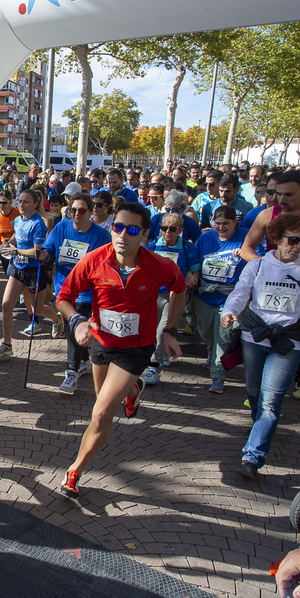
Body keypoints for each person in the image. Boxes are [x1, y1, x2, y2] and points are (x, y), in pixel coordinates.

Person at [54, 202, 185, 498]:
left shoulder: (160, 265)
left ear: (145, 235)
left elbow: (179, 288)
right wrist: (76, 321)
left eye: (132, 229)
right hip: (101, 343)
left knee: (100, 414)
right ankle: (133, 389)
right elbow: (63, 297)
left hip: (135, 348)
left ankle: (74, 470)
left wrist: (170, 329)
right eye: (117, 227)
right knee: (104, 403)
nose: (122, 235)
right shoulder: (93, 260)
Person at [221, 212, 300, 479]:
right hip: (254, 338)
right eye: (293, 240)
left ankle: (253, 456)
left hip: (288, 342)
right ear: (277, 239)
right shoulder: (257, 266)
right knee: (254, 393)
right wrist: (229, 312)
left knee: (271, 402)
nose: (297, 247)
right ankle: (260, 425)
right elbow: (240, 293)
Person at [43, 192, 111, 394]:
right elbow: (49, 251)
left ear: (90, 212)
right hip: (64, 291)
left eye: (82, 210)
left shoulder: (101, 236)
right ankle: (83, 361)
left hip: (86, 293)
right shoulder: (61, 228)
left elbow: (105, 264)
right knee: (73, 329)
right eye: (73, 210)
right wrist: (44, 257)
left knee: (74, 330)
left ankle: (71, 372)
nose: (76, 214)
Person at [0, 188, 58, 357]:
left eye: (26, 202)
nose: (21, 205)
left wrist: (15, 251)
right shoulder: (18, 220)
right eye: (19, 201)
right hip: (18, 269)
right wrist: (7, 244)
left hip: (34, 270)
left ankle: (58, 320)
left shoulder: (38, 224)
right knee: (6, 305)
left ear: (35, 204)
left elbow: (37, 253)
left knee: (38, 309)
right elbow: (16, 236)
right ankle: (7, 345)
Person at [193, 206, 249, 393]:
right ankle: (210, 353)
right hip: (205, 295)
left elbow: (259, 261)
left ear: (235, 222)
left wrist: (245, 255)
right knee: (207, 333)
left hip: (229, 298)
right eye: (217, 224)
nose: (221, 227)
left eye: (226, 224)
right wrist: (192, 275)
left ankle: (218, 376)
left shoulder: (246, 238)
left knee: (223, 338)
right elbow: (194, 262)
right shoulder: (205, 238)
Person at [141, 212, 201, 385]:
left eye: (172, 229)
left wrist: (191, 276)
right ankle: (161, 354)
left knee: (163, 329)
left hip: (175, 295)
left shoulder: (187, 248)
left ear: (180, 230)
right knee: (152, 329)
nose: (167, 232)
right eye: (164, 228)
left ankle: (154, 368)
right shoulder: (153, 246)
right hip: (154, 294)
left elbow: (195, 270)